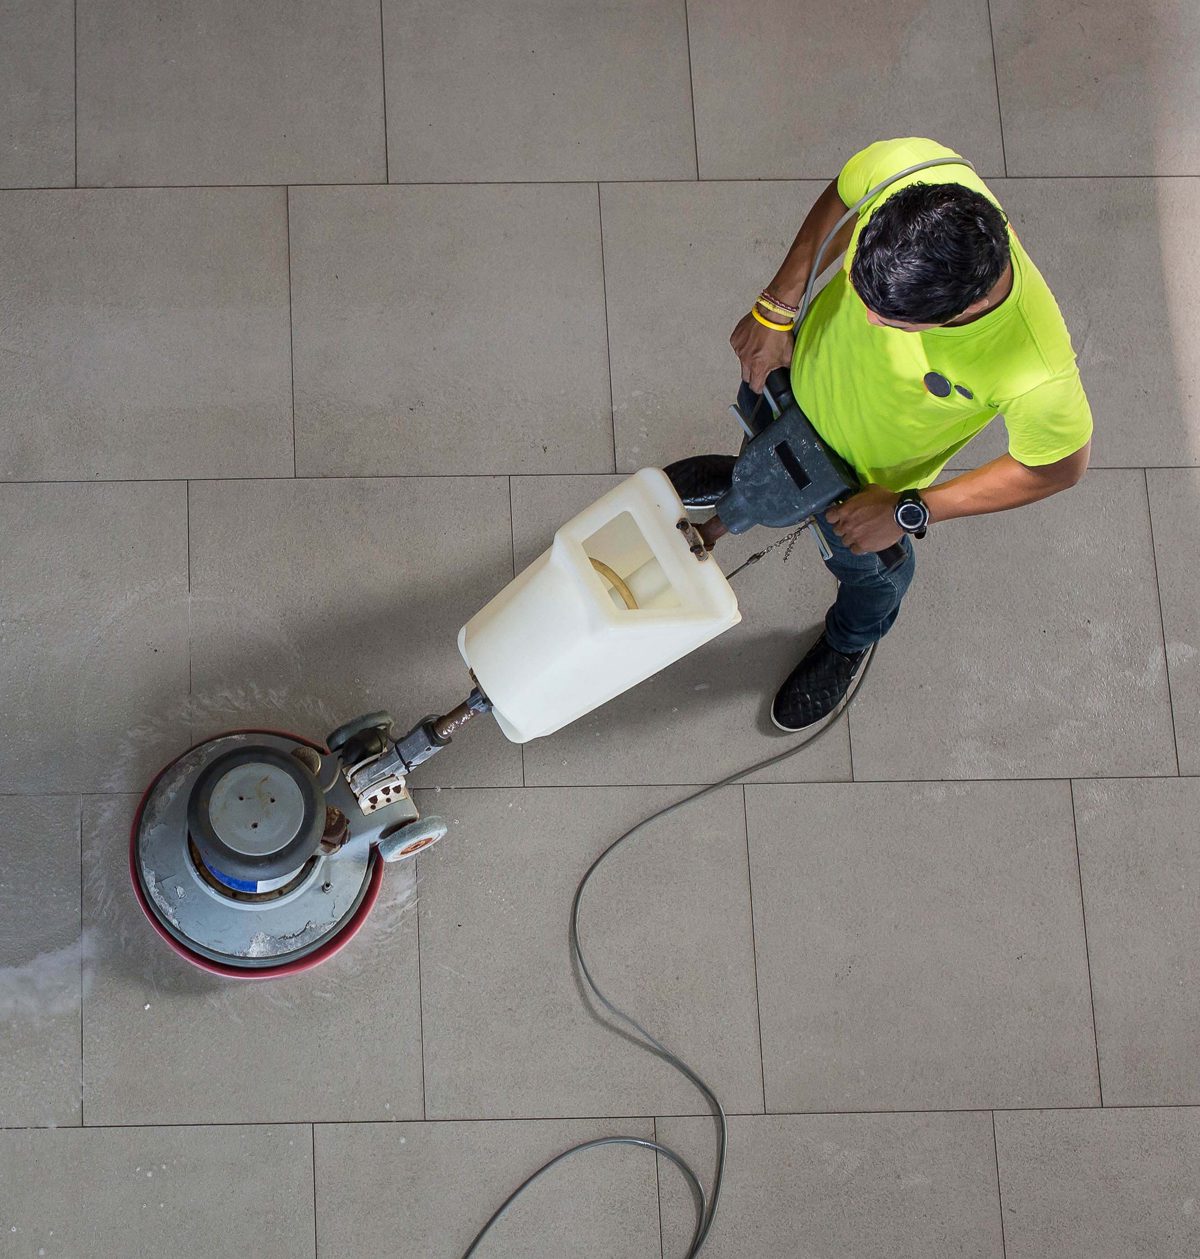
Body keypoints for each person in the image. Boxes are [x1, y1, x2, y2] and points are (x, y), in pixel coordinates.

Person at [715, 136, 1093, 731]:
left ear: (956, 315)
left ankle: (850, 638)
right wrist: (778, 306)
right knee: (755, 460)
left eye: (887, 318)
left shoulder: (1035, 370)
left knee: (874, 577)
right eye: (863, 295)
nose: (865, 317)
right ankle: (738, 487)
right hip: (790, 384)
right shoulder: (916, 166)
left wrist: (912, 511)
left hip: (864, 489)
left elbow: (1058, 467)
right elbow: (844, 197)